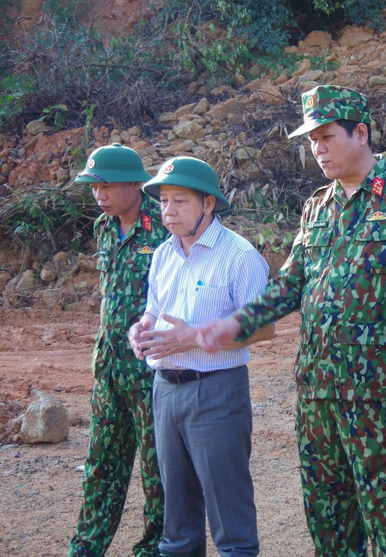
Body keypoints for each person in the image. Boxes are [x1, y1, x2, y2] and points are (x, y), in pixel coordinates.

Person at [197, 85, 386, 556]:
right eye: (312, 141)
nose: (319, 149)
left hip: (378, 394)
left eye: (327, 137)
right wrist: (238, 323)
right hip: (317, 392)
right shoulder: (316, 206)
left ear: (361, 133)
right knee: (327, 519)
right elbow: (290, 284)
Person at [128, 157, 274, 557]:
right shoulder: (162, 254)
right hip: (165, 391)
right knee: (176, 523)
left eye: (180, 201)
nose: (168, 211)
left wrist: (194, 338)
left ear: (208, 204)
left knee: (230, 521)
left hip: (216, 392)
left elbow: (265, 328)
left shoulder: (240, 256)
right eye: (163, 202)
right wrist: (138, 330)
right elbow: (151, 312)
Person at [69, 143, 167, 557]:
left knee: (157, 472)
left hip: (151, 373)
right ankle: (87, 547)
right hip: (109, 369)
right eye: (94, 186)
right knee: (101, 466)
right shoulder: (103, 229)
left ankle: (155, 548)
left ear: (136, 184)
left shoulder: (164, 226)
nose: (99, 194)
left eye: (107, 185)